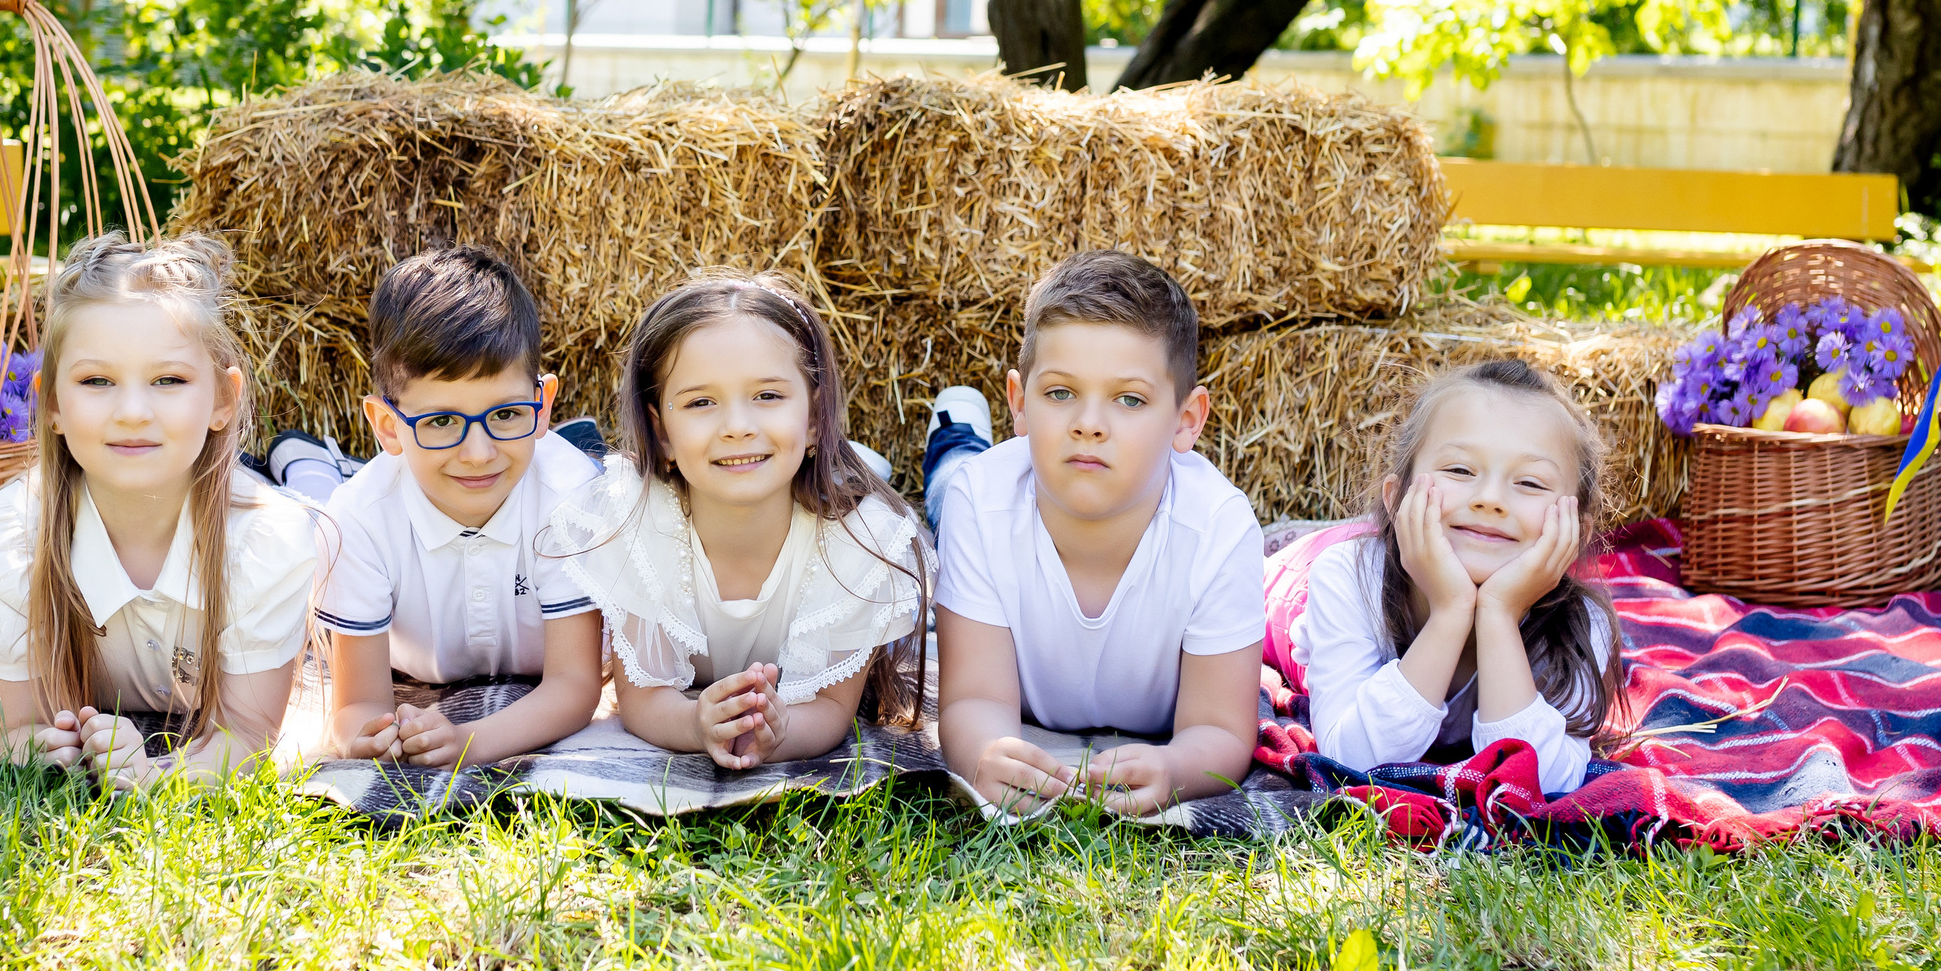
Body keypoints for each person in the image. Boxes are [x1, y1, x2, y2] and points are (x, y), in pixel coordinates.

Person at [0, 232, 323, 791]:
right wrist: (43, 747)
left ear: (222, 400)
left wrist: (154, 776)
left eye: (168, 380)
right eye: (96, 381)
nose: (131, 412)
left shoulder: (265, 542)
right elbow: (18, 728)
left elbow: (247, 739)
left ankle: (314, 463)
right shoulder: (7, 543)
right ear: (52, 402)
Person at [543, 272, 928, 769]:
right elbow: (640, 701)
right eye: (702, 402)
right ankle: (580, 439)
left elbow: (831, 709)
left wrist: (777, 736)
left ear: (814, 417)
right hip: (721, 474)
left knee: (898, 483)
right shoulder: (636, 525)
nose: (738, 427)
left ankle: (947, 446)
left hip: (816, 484)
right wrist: (695, 725)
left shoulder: (859, 544)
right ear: (661, 434)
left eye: (768, 396)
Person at [932, 250, 1265, 817]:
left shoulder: (1219, 529)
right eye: (1059, 394)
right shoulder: (982, 502)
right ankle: (953, 438)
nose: (1088, 423)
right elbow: (974, 699)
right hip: (981, 483)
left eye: (1129, 399)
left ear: (1187, 421)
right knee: (946, 489)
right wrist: (986, 752)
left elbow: (1220, 729)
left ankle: (960, 437)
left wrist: (1176, 769)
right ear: (1021, 403)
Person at [1266, 358, 1618, 796]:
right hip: (1289, 581)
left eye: (1529, 483)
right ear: (1397, 498)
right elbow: (1349, 761)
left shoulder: (1581, 623)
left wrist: (1497, 614)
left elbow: (1543, 779)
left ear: (1578, 529)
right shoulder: (1346, 578)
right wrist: (1451, 611)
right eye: (1460, 470)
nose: (1490, 500)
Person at [313, 247, 605, 767]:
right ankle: (306, 461)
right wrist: (368, 736)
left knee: (602, 477)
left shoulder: (573, 501)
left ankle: (579, 441)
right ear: (387, 427)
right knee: (305, 512)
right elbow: (357, 704)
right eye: (442, 422)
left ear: (544, 405)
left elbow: (575, 687)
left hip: (562, 475)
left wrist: (467, 743)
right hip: (415, 659)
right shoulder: (357, 519)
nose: (478, 454)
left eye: (509, 413)